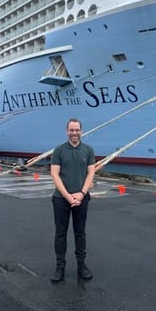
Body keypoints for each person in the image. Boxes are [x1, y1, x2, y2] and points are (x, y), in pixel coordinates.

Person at [49, 118, 96, 283]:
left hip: (81, 198)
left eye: (77, 130)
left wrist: (82, 193)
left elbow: (91, 173)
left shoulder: (88, 150)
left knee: (80, 233)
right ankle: (59, 267)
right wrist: (69, 197)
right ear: (66, 131)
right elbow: (54, 174)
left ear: (81, 131)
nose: (74, 133)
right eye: (71, 130)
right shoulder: (59, 150)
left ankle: (81, 266)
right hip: (61, 199)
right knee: (60, 234)